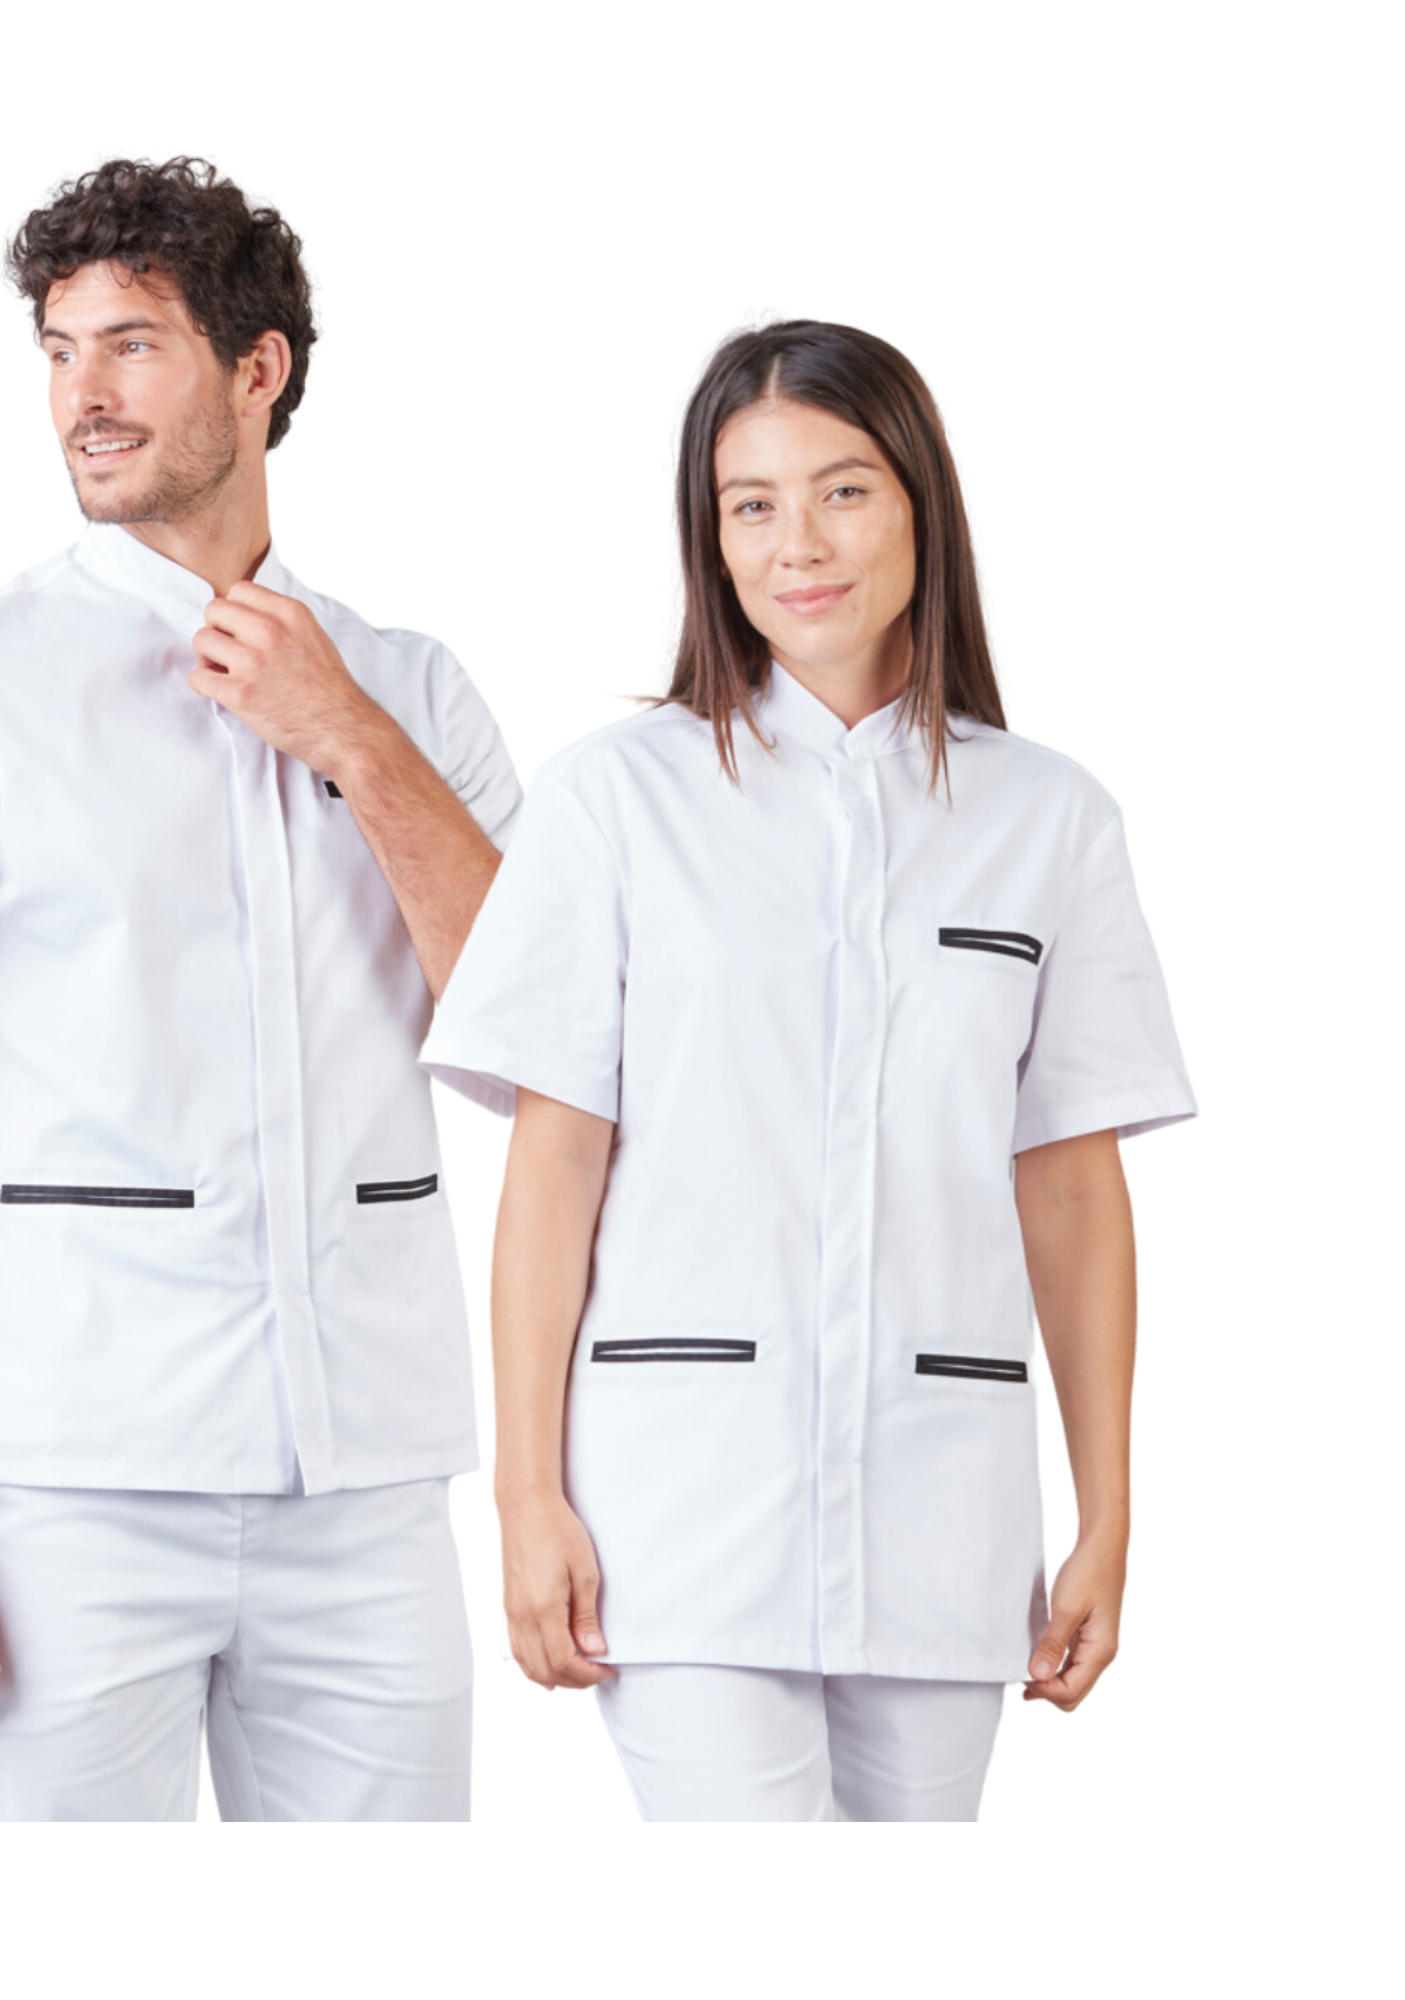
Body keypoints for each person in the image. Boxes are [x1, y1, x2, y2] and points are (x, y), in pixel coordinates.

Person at [0, 157, 522, 1821]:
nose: (84, 397)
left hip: (369, 1482)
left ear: (258, 371)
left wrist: (353, 741)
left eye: (132, 345)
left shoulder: (409, 691)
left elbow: (530, 1048)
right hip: (66, 1482)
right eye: (60, 351)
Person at [417, 321, 1196, 1821]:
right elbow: (553, 1171)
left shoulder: (1052, 822)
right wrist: (527, 1494)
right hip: (680, 1506)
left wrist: (1106, 1509)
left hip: (943, 1505)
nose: (799, 545)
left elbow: (1071, 1187)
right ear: (710, 542)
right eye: (751, 505)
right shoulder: (614, 804)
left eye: (842, 491)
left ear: (920, 502)